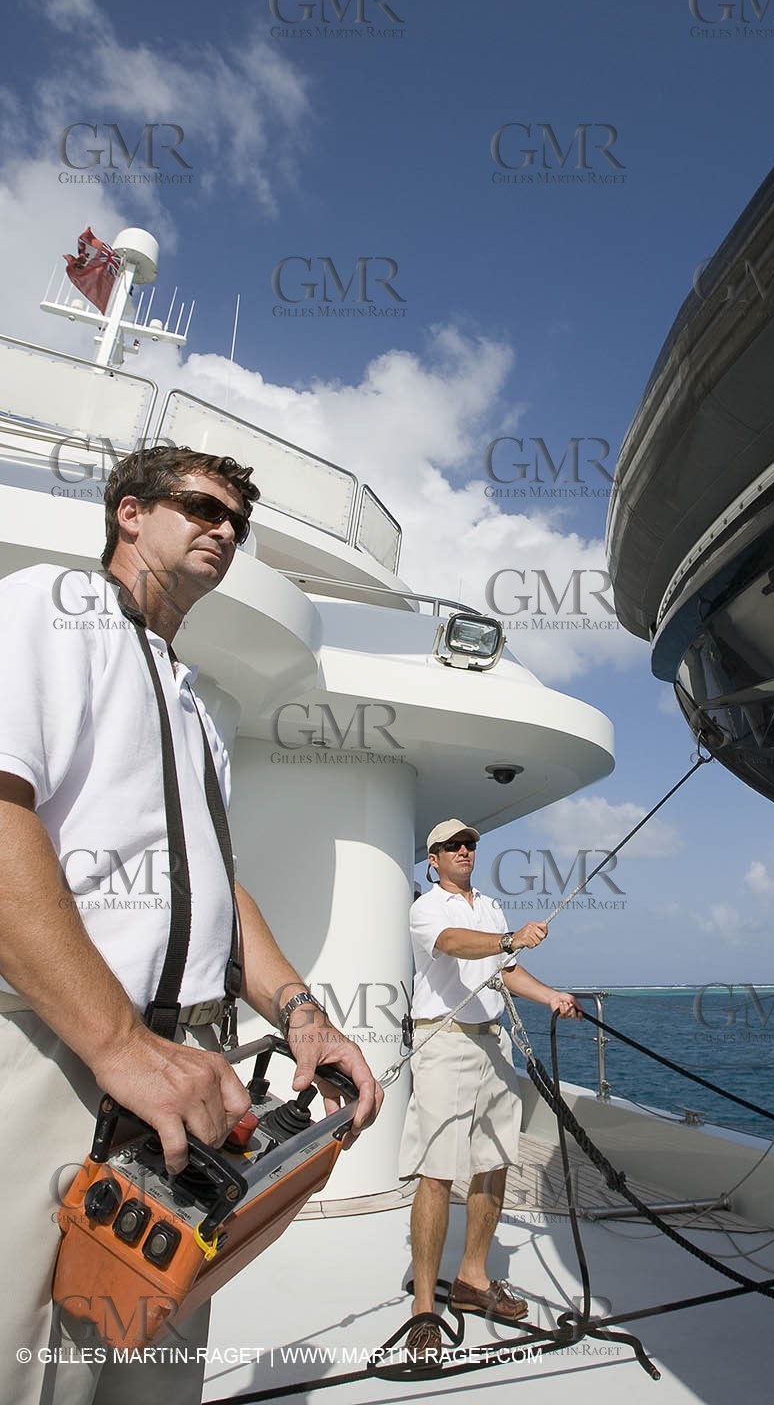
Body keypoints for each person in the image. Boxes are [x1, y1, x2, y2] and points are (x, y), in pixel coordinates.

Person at [0, 446, 384, 1405]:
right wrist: (120, 1044)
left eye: (237, 524)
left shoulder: (193, 701)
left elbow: (218, 887)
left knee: (145, 1358)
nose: (224, 531)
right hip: (67, 1054)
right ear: (129, 513)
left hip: (186, 1079)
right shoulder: (51, 606)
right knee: (35, 1360)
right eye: (202, 507)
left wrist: (303, 1016)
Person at [399, 819, 580, 1365]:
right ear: (433, 859)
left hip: (493, 1043)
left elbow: (506, 971)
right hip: (443, 1042)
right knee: (437, 1173)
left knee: (494, 1161)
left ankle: (472, 1279)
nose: (463, 850)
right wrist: (508, 939)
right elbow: (453, 945)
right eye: (451, 845)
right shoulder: (427, 908)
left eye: (470, 844)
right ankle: (425, 1309)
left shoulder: (492, 907)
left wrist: (550, 996)